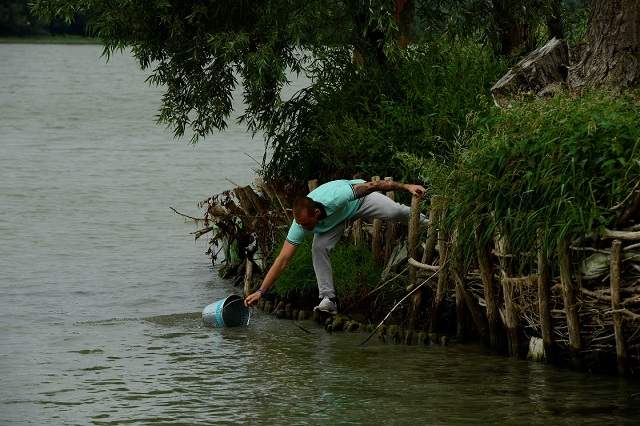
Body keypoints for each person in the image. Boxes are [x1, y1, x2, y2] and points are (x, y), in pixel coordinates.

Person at [244, 178, 426, 314]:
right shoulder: (299, 226)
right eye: (301, 225)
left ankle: (428, 223)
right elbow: (282, 260)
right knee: (318, 248)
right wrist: (261, 291)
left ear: (316, 212)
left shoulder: (336, 197)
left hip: (358, 204)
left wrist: (407, 186)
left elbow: (374, 186)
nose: (304, 228)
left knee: (395, 211)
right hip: (336, 221)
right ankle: (328, 299)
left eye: (307, 224)